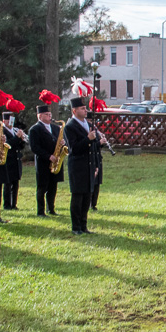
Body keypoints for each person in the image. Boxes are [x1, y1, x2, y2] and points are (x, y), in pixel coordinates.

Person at [64, 94, 102, 234]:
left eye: (85, 108)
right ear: (74, 111)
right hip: (78, 166)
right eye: (82, 108)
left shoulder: (88, 124)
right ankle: (76, 226)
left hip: (89, 165)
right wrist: (88, 139)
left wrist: (96, 164)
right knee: (78, 197)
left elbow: (94, 148)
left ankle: (84, 225)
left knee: (87, 197)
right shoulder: (70, 126)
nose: (85, 111)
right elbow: (74, 148)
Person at [31, 97, 63, 216]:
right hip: (43, 162)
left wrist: (61, 144)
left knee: (53, 187)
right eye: (47, 114)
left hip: (55, 161)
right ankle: (40, 211)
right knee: (42, 187)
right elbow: (35, 147)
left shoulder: (55, 128)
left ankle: (51, 208)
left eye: (50, 114)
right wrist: (48, 156)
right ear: (40, 116)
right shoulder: (35, 129)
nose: (50, 116)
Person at [2, 112, 26, 210]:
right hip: (8, 159)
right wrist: (16, 137)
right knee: (8, 183)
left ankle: (14, 204)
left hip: (16, 159)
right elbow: (7, 144)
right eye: (8, 120)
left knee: (15, 183)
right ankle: (7, 204)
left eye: (12, 120)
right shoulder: (2, 130)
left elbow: (21, 146)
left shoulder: (15, 130)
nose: (10, 123)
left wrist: (21, 139)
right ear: (4, 121)